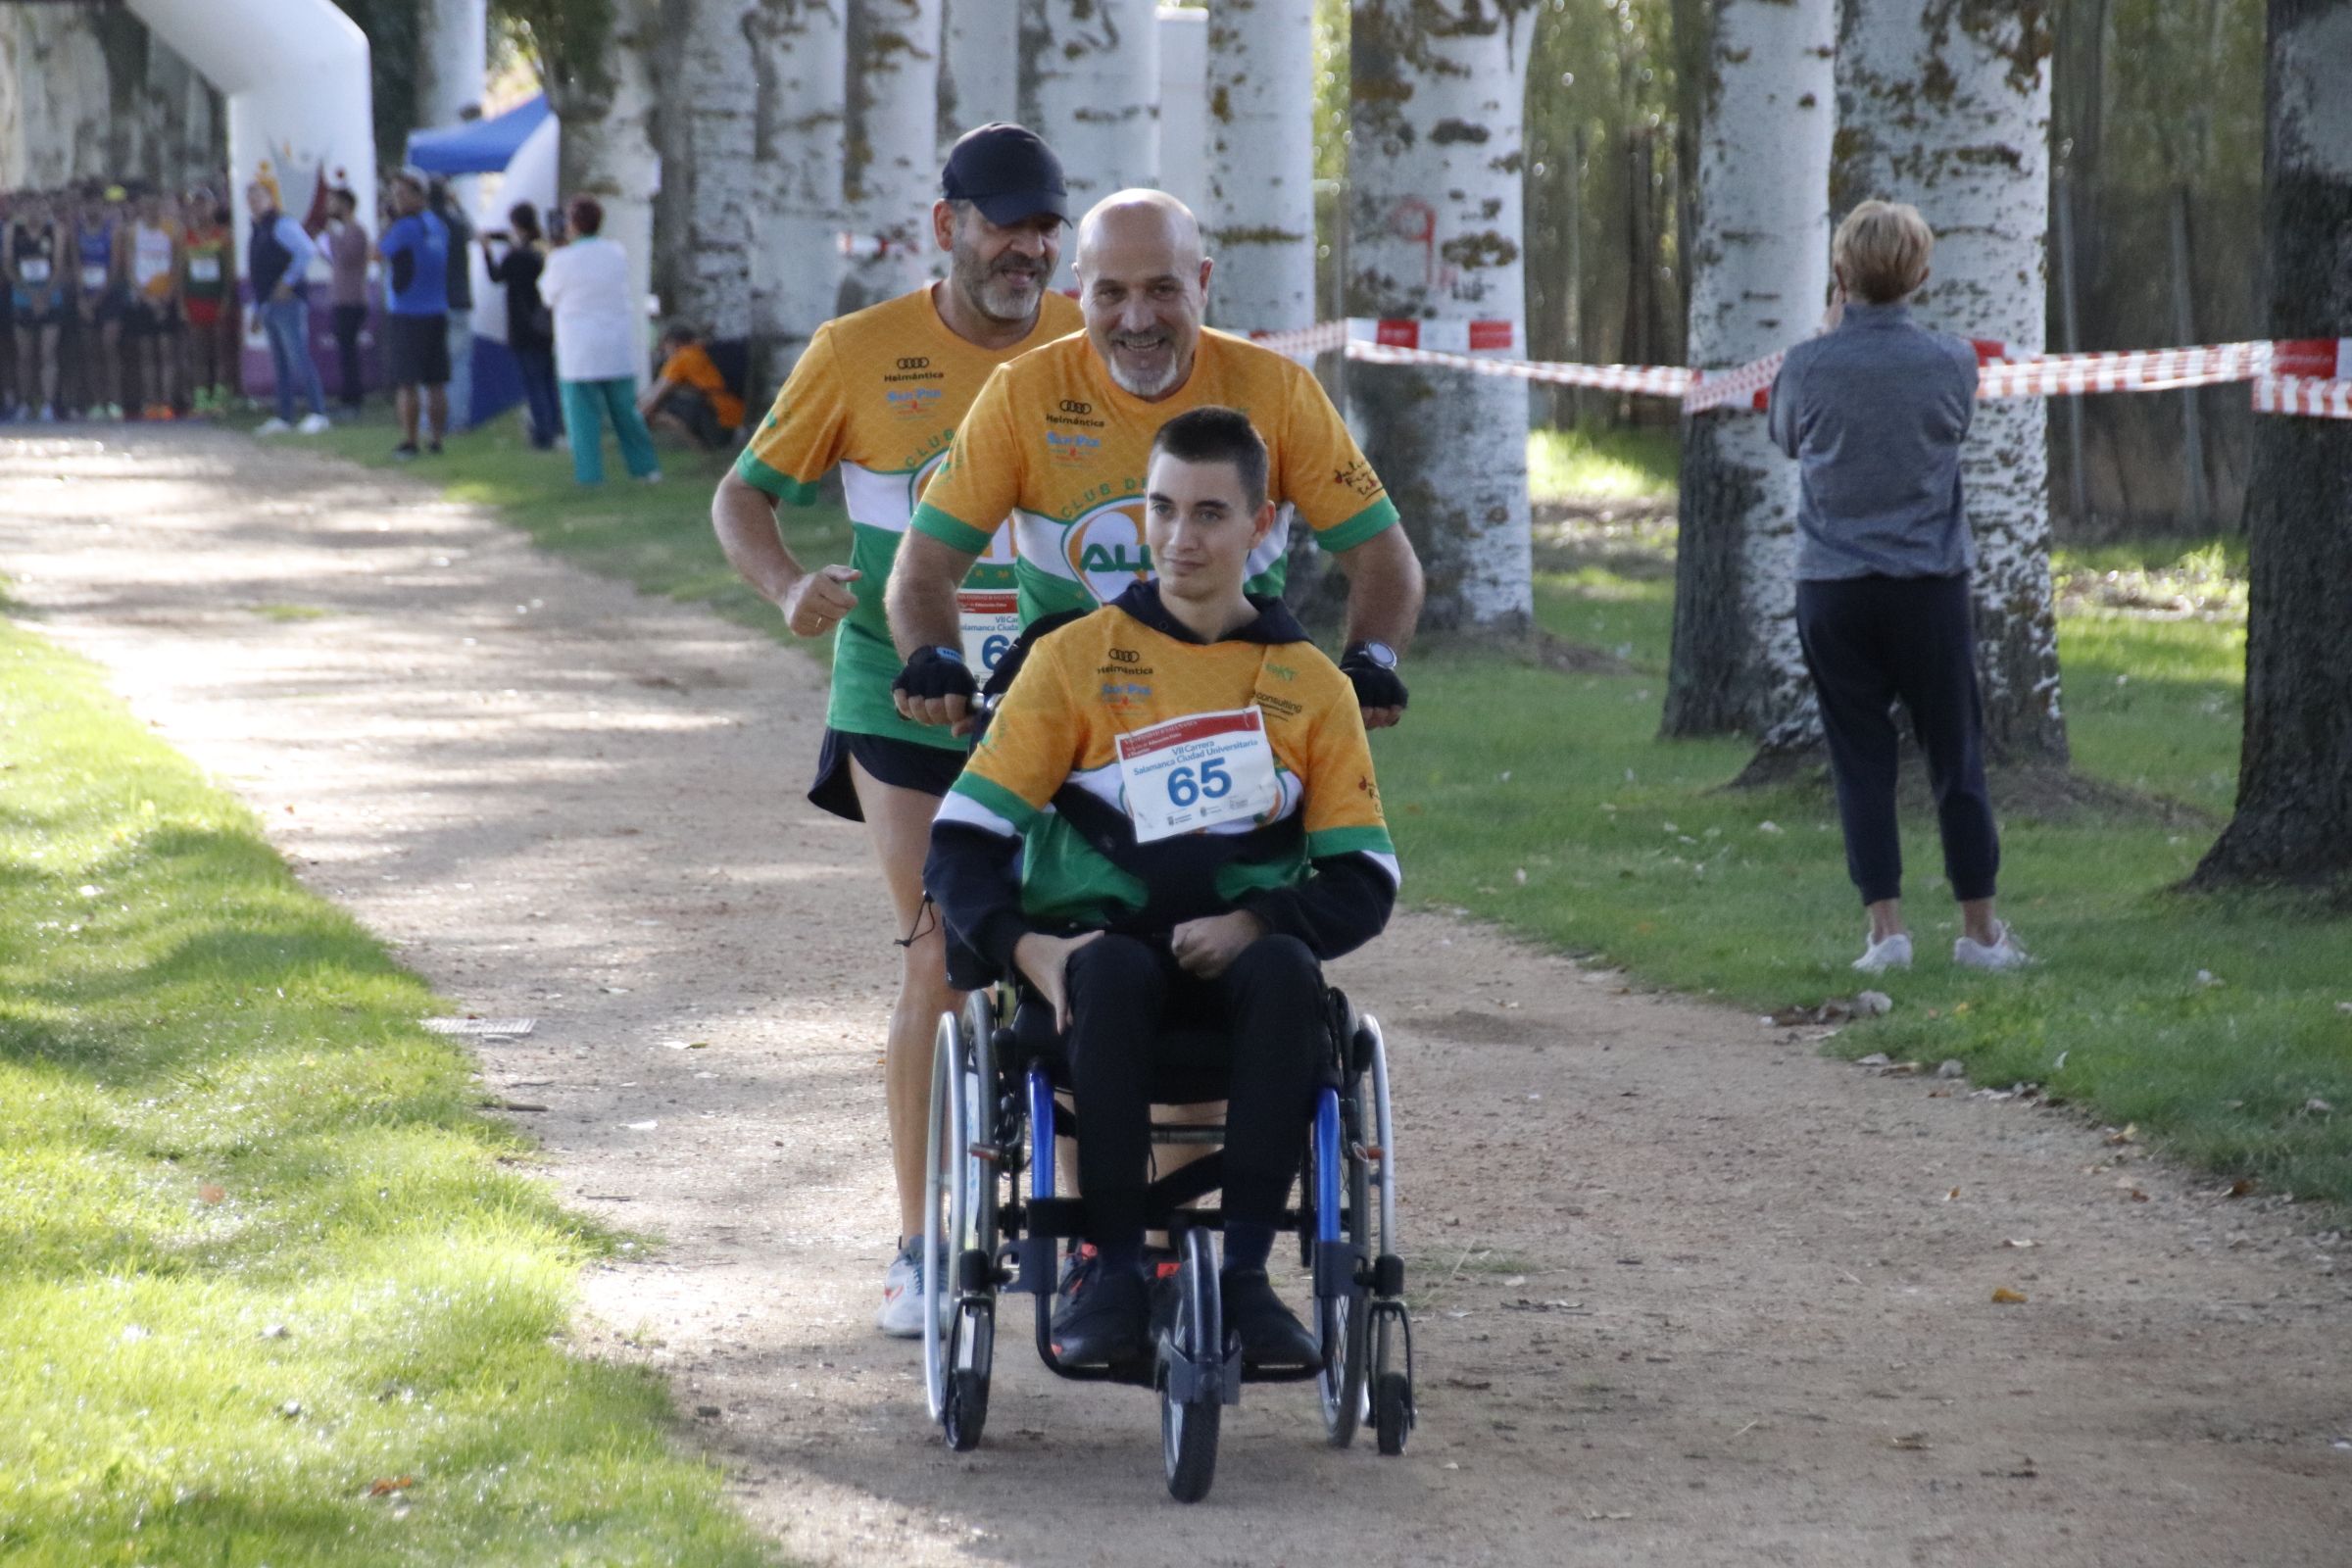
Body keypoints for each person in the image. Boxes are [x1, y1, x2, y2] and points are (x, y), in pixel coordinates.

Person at [925, 407, 1399, 1368]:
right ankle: (1112, 1275)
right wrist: (1032, 950)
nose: (1183, 538)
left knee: (1281, 972)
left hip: (1244, 971)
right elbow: (963, 845)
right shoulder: (1070, 660)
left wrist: (1259, 916)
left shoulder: (1312, 686)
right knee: (1109, 975)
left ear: (1262, 525)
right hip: (1095, 965)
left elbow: (1364, 877)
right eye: (1163, 509)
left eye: (1212, 514)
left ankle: (1248, 1280)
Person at [710, 121, 1081, 1337]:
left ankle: (1086, 1229)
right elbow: (742, 493)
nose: (1025, 249)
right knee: (942, 948)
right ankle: (922, 1246)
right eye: (1002, 224)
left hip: (1060, 694)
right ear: (946, 226)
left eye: (1042, 227)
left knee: (1091, 947)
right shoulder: (859, 353)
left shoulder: (1095, 339)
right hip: (901, 692)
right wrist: (785, 589)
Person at [884, 188, 1422, 745]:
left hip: (1236, 712)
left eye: (1163, 289)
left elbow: (1383, 557)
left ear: (1203, 282)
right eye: (1111, 293)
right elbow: (922, 569)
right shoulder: (1023, 393)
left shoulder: (1279, 391)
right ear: (1080, 290)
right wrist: (935, 656)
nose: (1137, 319)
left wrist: (1371, 659)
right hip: (1070, 712)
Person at [1768, 199, 2028, 975]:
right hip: (1929, 584)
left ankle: (1887, 932)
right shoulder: (1952, 361)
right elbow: (1957, 431)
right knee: (1956, 753)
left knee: (1860, 760)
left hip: (1834, 585)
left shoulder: (1807, 364)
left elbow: (1786, 437)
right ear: (1920, 274)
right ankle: (1980, 931)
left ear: (1841, 274)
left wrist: (1825, 333)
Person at [537, 194, 661, 485]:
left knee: (582, 419)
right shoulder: (615, 252)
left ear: (573, 225)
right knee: (626, 414)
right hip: (615, 343)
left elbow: (548, 295)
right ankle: (645, 468)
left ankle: (590, 475)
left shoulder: (560, 259)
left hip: (578, 347)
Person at [244, 179, 331, 436]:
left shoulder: (282, 224)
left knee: (298, 358)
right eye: (250, 198)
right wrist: (258, 309)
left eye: (258, 197)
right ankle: (285, 416)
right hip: (269, 304)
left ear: (270, 199)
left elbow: (306, 250)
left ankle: (318, 413)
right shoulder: (259, 229)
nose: (254, 202)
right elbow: (259, 272)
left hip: (288, 302)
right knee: (280, 363)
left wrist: (288, 281)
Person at [376, 168, 450, 459]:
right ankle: (437, 439)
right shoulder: (437, 225)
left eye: (401, 194)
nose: (396, 200)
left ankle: (409, 440)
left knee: (407, 382)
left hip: (407, 310)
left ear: (419, 196)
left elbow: (378, 253)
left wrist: (388, 223)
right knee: (435, 382)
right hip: (436, 308)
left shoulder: (405, 228)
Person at [482, 202, 557, 448]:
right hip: (546, 324)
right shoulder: (543, 250)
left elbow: (495, 276)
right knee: (548, 379)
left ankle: (543, 433)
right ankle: (556, 427)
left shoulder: (516, 256)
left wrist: (487, 251)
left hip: (523, 326)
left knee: (533, 382)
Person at [120, 188, 183, 418]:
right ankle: (151, 401)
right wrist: (145, 296)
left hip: (165, 296)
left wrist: (168, 294)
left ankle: (167, 400)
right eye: (146, 206)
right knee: (146, 353)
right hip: (142, 297)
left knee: (166, 351)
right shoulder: (133, 231)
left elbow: (177, 265)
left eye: (155, 205)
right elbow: (129, 268)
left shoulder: (172, 229)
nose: (151, 210)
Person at [5, 190, 67, 421]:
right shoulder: (14, 230)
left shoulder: (55, 231)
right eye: (29, 207)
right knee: (24, 354)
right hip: (23, 296)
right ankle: (24, 401)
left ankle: (48, 403)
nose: (34, 212)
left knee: (47, 352)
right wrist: (29, 293)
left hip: (50, 296)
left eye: (38, 206)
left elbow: (59, 265)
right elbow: (9, 264)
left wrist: (44, 295)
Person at [639, 322, 744, 451]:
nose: (662, 350)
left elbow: (653, 397)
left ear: (672, 343)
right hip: (737, 419)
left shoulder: (681, 358)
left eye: (664, 345)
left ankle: (700, 447)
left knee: (662, 407)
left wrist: (632, 419)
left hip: (719, 427)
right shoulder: (702, 350)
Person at [74, 183, 127, 420]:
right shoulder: (77, 231)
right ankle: (96, 401)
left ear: (102, 206)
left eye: (95, 203)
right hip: (86, 294)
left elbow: (115, 269)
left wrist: (98, 299)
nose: (91, 208)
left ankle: (115, 401)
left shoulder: (112, 230)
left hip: (108, 295)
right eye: (87, 204)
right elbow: (76, 265)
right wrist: (83, 299)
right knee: (91, 350)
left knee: (109, 347)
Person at [179, 190, 234, 415]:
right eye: (196, 206)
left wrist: (226, 300)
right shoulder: (185, 237)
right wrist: (182, 303)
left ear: (212, 207)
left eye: (204, 205)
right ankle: (201, 397)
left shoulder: (223, 236)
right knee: (199, 351)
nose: (200, 210)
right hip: (194, 300)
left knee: (220, 350)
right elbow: (180, 272)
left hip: (216, 299)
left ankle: (220, 397)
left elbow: (229, 273)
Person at [429, 176, 475, 430]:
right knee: (458, 366)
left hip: (432, 302)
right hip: (460, 300)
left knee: (431, 368)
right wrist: (457, 206)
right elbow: (473, 231)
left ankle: (430, 421)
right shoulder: (457, 224)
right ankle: (457, 420)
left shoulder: (425, 226)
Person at [324, 186, 371, 412]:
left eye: (333, 202)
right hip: (341, 298)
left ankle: (353, 397)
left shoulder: (355, 231)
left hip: (351, 300)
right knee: (344, 350)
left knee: (349, 350)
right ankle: (347, 394)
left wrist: (331, 237)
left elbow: (343, 258)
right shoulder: (345, 231)